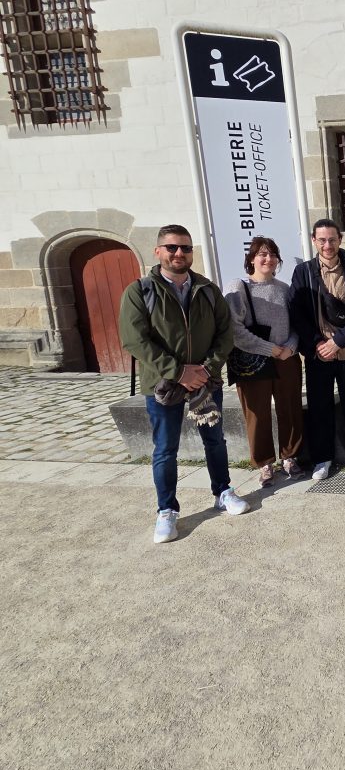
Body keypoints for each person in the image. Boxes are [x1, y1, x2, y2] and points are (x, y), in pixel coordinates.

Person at [119, 224, 248, 544]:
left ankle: (223, 491)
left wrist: (205, 369)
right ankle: (166, 510)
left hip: (205, 382)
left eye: (186, 248)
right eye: (173, 247)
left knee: (215, 440)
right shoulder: (140, 291)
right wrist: (178, 372)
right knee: (165, 449)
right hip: (165, 386)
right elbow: (134, 340)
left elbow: (225, 333)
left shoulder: (206, 289)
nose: (179, 253)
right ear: (158, 251)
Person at [289, 218, 345, 481]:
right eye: (322, 240)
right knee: (319, 406)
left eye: (332, 239)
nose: (327, 245)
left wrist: (337, 342)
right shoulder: (303, 272)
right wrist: (317, 344)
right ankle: (322, 459)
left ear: (340, 240)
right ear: (314, 241)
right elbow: (297, 313)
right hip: (318, 353)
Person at [224, 237, 303, 488]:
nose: (267, 259)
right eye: (262, 254)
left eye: (272, 254)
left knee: (290, 408)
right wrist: (270, 349)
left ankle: (290, 456)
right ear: (251, 259)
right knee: (256, 414)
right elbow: (235, 330)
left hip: (286, 358)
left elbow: (297, 325)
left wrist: (290, 348)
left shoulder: (284, 288)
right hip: (254, 360)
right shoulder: (238, 287)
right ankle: (264, 462)